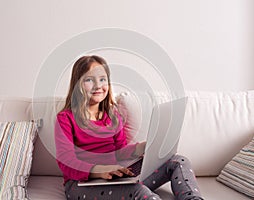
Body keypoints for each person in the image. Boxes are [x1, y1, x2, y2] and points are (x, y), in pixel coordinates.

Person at [54, 55, 203, 200]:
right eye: (89, 80)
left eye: (102, 79)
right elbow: (66, 161)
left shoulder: (112, 116)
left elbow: (120, 152)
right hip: (81, 184)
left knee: (178, 161)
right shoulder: (66, 119)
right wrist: (100, 171)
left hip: (115, 175)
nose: (98, 86)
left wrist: (143, 147)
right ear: (78, 84)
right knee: (139, 191)